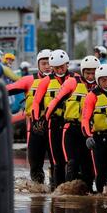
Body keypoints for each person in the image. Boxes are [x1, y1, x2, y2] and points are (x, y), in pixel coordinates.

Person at [45, 55, 101, 185]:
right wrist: (44, 119)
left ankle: (88, 193)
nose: (91, 76)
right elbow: (56, 101)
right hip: (71, 130)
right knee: (72, 163)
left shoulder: (103, 86)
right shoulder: (72, 82)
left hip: (90, 131)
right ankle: (65, 193)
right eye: (88, 73)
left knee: (88, 166)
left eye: (94, 73)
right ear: (82, 72)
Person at [33, 50, 78, 189]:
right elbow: (36, 102)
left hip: (70, 124)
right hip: (53, 122)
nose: (60, 70)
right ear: (52, 67)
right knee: (56, 160)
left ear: (67, 65)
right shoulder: (46, 81)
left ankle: (74, 187)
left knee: (73, 159)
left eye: (62, 67)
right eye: (56, 67)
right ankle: (57, 189)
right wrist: (36, 120)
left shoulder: (76, 79)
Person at [7, 49, 54, 182]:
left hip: (56, 126)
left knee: (58, 164)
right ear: (38, 65)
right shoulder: (29, 80)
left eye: (50, 63)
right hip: (36, 126)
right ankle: (37, 195)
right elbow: (8, 89)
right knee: (35, 164)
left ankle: (57, 189)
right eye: (44, 63)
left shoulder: (64, 81)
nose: (47, 67)